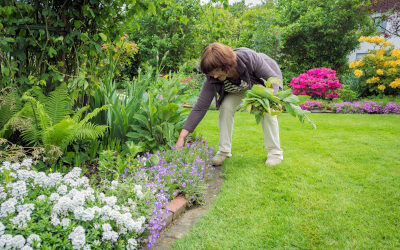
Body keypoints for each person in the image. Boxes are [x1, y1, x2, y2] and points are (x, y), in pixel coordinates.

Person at [175, 42, 284, 166]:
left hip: (261, 83)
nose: (214, 76)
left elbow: (273, 79)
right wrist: (182, 137)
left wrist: (273, 100)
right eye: (211, 73)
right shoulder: (212, 78)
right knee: (225, 106)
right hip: (239, 89)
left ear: (226, 65)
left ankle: (275, 154)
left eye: (216, 71)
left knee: (267, 110)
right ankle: (224, 151)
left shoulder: (248, 58)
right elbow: (200, 107)